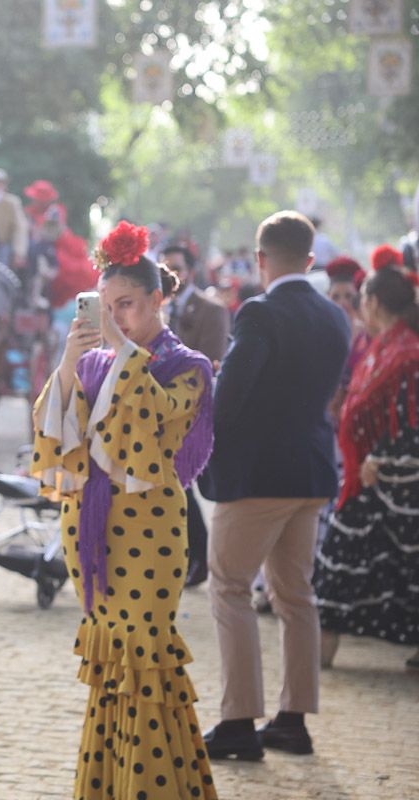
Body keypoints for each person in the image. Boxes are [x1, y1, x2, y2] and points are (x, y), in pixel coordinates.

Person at [32, 221, 218, 799]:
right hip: (91, 531)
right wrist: (67, 362)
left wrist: (125, 350)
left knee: (147, 660)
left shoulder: (189, 367)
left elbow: (155, 431)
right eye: (106, 306)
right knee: (112, 663)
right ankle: (109, 786)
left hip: (151, 536)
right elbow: (56, 436)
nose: (116, 317)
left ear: (159, 301)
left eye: (128, 305)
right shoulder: (90, 365)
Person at [200, 211, 350, 761]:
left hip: (259, 477)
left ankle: (239, 722)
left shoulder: (259, 312)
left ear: (260, 259)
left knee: (230, 588)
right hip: (311, 471)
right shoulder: (336, 317)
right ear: (310, 260)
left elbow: (230, 395)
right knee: (296, 596)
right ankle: (293, 720)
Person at [315, 249, 419, 670]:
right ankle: (315, 662)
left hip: (398, 481)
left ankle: (315, 664)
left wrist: (384, 460)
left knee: (405, 568)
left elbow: (410, 422)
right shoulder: (379, 346)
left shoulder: (408, 355)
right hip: (367, 480)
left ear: (373, 303)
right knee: (341, 563)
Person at [163, 244, 231, 588]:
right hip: (161, 410)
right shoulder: (157, 307)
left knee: (184, 485)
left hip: (194, 410)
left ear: (191, 269)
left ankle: (199, 557)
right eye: (165, 266)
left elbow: (213, 361)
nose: (172, 272)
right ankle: (184, 556)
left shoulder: (210, 309)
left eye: (176, 266)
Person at [323, 256, 371, 419]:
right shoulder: (323, 336)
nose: (342, 303)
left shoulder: (369, 336)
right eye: (335, 297)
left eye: (348, 296)